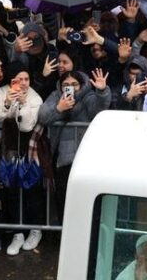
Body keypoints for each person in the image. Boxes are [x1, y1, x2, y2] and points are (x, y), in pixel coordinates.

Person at [0, 62, 44, 256]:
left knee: (32, 190)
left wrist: (24, 103)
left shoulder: (35, 97)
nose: (24, 83)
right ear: (11, 80)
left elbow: (26, 125)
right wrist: (8, 103)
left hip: (31, 150)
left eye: (26, 79)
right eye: (19, 79)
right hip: (8, 150)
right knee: (11, 190)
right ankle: (17, 233)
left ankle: (35, 230)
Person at [38, 69, 111, 219]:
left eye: (74, 84)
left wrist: (102, 90)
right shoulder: (56, 96)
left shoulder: (88, 96)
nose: (70, 87)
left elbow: (99, 109)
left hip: (85, 157)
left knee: (84, 199)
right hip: (61, 158)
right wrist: (59, 108)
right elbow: (43, 116)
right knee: (63, 197)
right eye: (66, 84)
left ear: (81, 85)